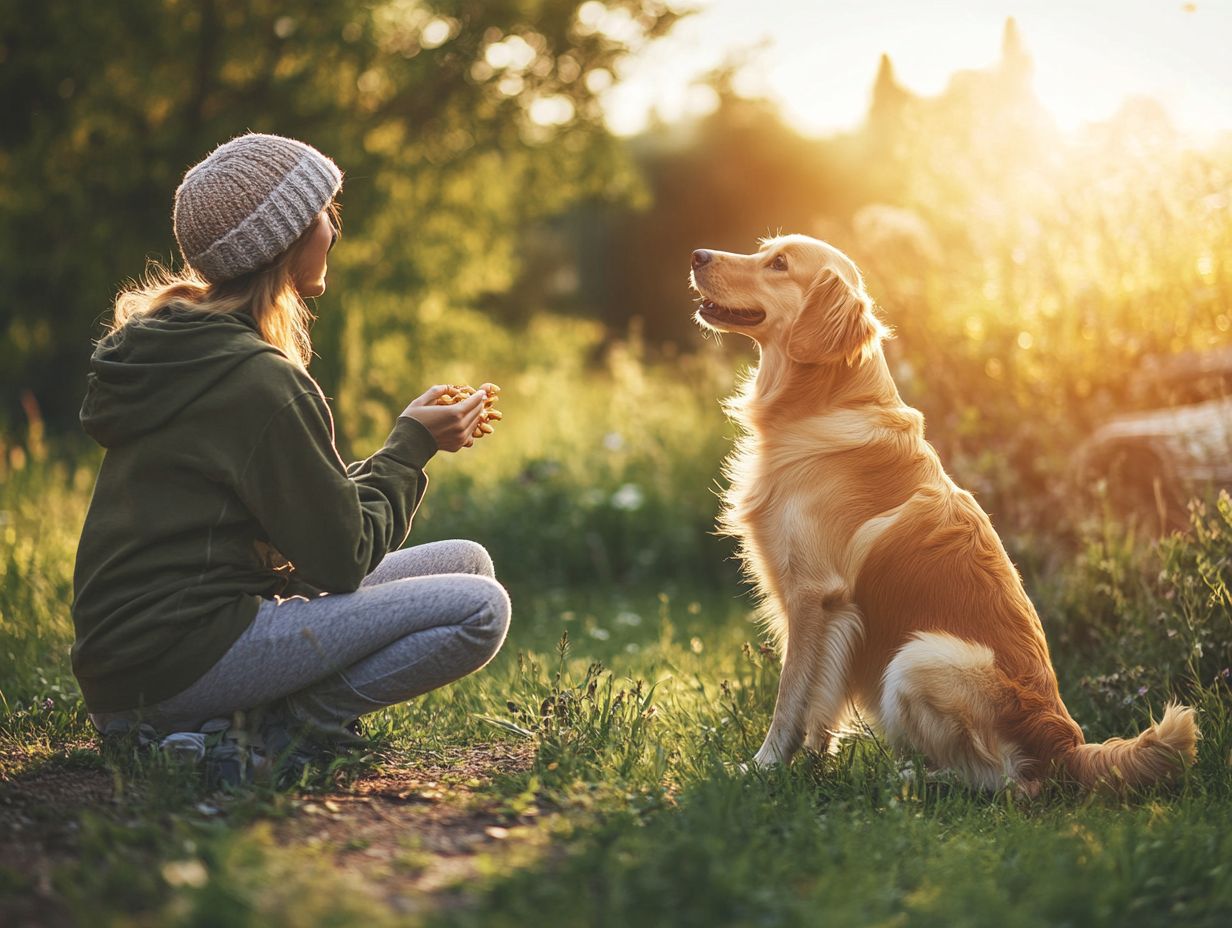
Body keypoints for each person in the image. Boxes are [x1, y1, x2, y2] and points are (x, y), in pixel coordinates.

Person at [70, 133, 511, 772]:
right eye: (324, 215)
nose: (333, 230)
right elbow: (342, 560)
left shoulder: (188, 351)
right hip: (179, 661)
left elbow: (307, 524)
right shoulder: (255, 377)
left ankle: (215, 725)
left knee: (467, 562)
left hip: (139, 661)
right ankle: (277, 732)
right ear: (286, 238)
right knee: (481, 609)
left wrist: (409, 441)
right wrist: (411, 447)